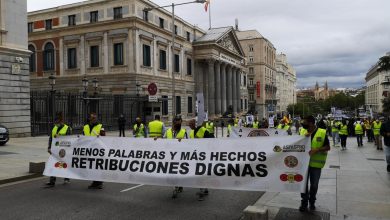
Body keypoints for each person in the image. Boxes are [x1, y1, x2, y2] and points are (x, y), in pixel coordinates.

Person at [299, 115, 330, 212]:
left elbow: (328, 147)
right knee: (303, 184)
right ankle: (304, 202)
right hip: (303, 164)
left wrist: (317, 150)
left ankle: (312, 201)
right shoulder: (303, 131)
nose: (303, 124)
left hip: (316, 165)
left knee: (314, 185)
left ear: (311, 123)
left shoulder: (322, 132)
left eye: (305, 123)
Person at [188, 119, 213, 201]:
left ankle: (201, 192)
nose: (189, 126)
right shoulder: (191, 132)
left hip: (203, 156)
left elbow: (211, 141)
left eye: (191, 124)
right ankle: (205, 188)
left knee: (200, 173)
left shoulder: (203, 130)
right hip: (195, 156)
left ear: (195, 123)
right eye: (189, 124)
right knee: (199, 173)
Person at [45, 113, 72, 187]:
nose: (56, 124)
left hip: (64, 151)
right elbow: (51, 138)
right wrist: (49, 147)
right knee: (53, 165)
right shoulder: (54, 128)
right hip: (55, 150)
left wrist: (60, 137)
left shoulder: (67, 128)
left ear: (61, 121)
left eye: (57, 123)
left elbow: (70, 140)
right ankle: (52, 181)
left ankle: (67, 178)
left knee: (65, 165)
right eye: (55, 123)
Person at [163, 116, 188, 199]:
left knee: (179, 173)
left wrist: (183, 141)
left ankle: (179, 185)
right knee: (172, 173)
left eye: (180, 122)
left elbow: (189, 144)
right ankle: (175, 188)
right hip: (170, 157)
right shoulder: (168, 132)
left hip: (180, 157)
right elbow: (163, 142)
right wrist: (157, 140)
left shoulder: (184, 132)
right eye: (177, 122)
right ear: (173, 122)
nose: (178, 123)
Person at [83, 112, 105, 189]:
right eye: (92, 118)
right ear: (89, 119)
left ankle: (99, 183)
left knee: (98, 166)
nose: (94, 119)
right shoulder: (85, 127)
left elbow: (104, 136)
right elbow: (83, 137)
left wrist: (101, 136)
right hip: (89, 149)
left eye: (95, 118)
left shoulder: (100, 126)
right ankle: (94, 182)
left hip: (97, 149)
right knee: (91, 166)